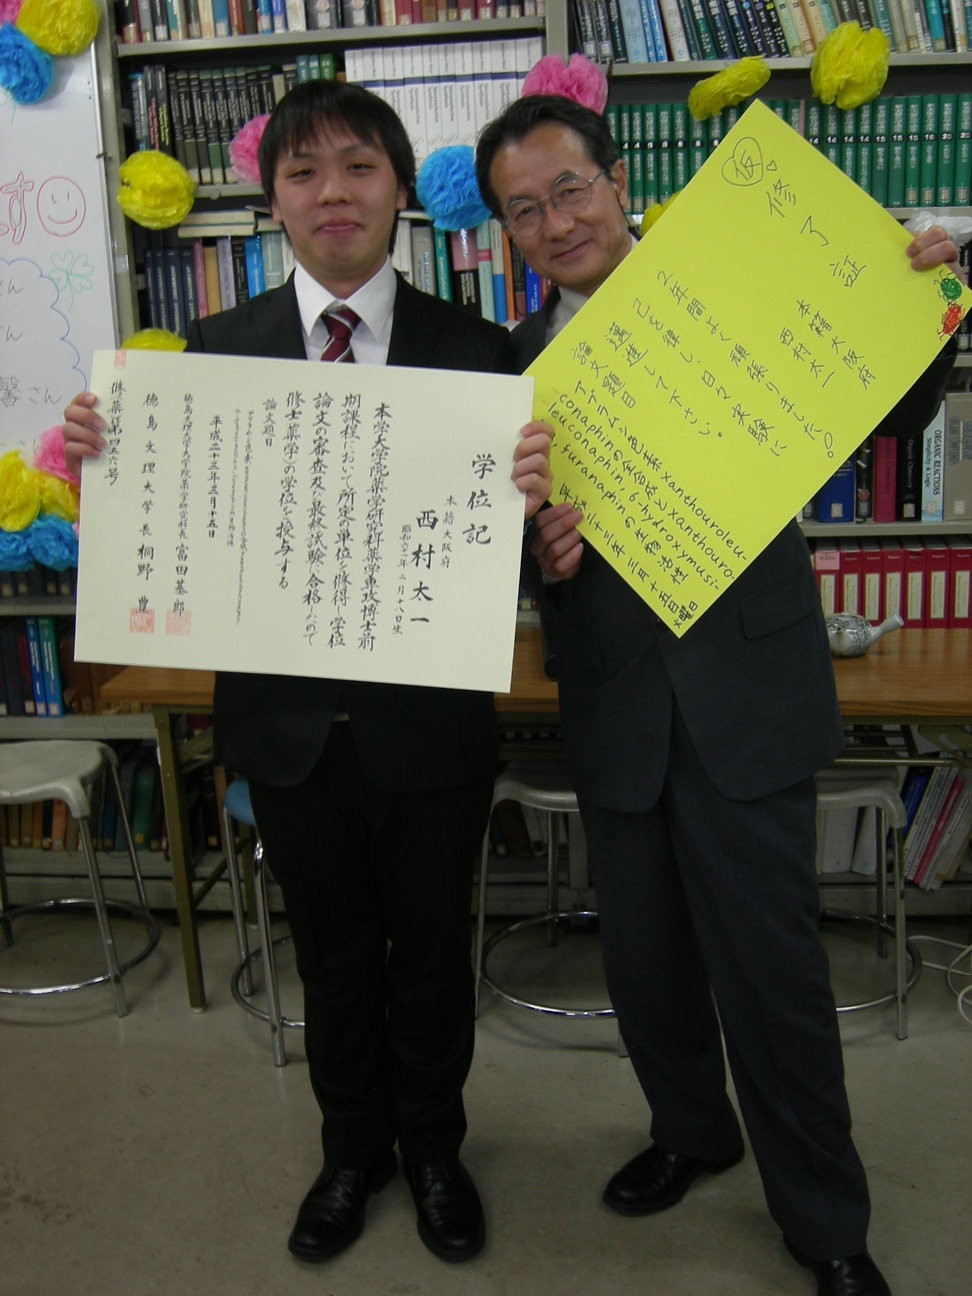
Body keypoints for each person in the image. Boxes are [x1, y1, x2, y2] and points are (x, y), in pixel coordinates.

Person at [476, 91, 963, 1296]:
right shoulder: (514, 370)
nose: (555, 223)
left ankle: (826, 1220)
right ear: (506, 232)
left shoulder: (739, 277)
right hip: (615, 704)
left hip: (743, 688)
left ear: (618, 179)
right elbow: (498, 552)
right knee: (644, 965)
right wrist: (541, 554)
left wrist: (921, 296)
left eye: (570, 190)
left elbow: (893, 404)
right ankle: (692, 1131)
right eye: (523, 211)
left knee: (773, 974)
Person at [63, 79, 552, 1268]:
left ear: (402, 192)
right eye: (303, 172)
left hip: (428, 728)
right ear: (271, 200)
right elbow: (182, 530)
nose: (333, 193)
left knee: (430, 956)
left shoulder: (479, 352)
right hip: (286, 730)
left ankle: (434, 1152)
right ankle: (350, 1154)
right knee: (329, 958)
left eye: (359, 167)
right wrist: (112, 465)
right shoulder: (209, 355)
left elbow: (510, 565)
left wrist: (533, 502)